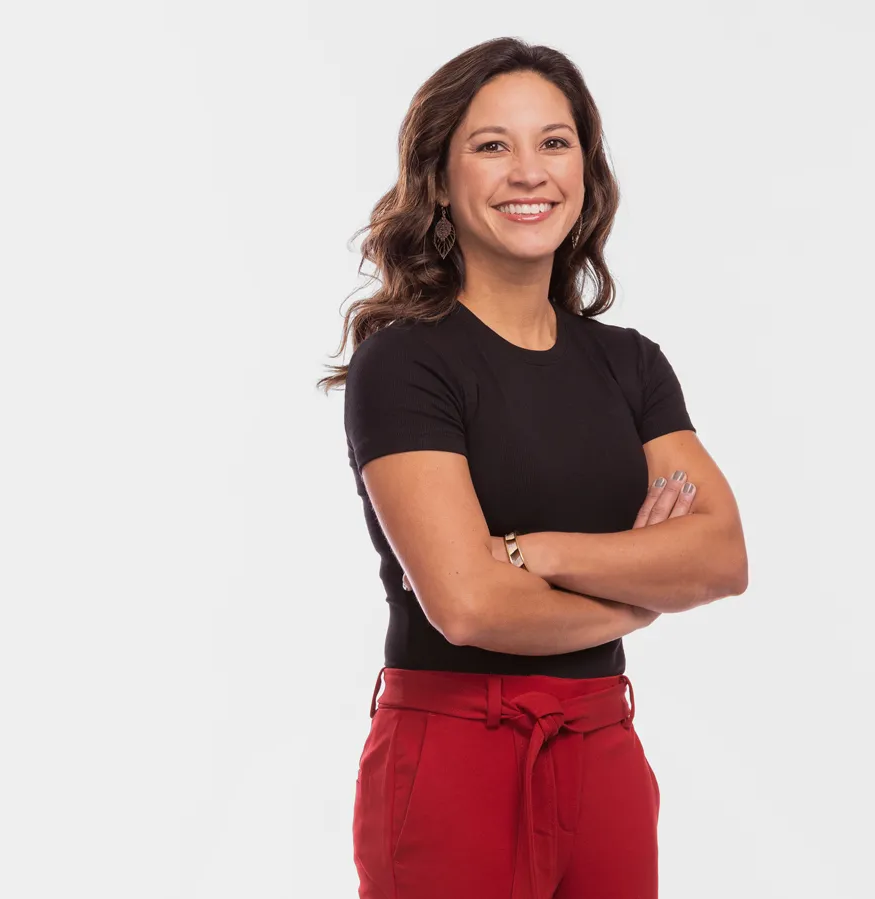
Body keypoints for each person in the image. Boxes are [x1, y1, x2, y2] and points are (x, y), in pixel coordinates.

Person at [318, 37, 748, 899]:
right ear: (439, 177)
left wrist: (533, 551)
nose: (529, 172)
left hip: (602, 749)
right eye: (492, 145)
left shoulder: (631, 365)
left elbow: (720, 558)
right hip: (453, 755)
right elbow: (469, 604)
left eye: (554, 142)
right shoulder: (404, 365)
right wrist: (640, 591)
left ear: (585, 171)